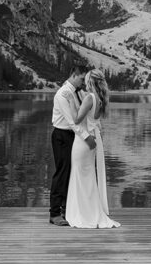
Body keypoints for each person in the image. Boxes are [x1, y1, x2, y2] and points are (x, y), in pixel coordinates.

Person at [65, 68, 120, 229]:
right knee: (88, 176)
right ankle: (90, 212)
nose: (84, 83)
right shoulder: (101, 99)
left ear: (90, 81)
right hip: (93, 139)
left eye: (86, 80)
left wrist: (70, 101)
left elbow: (76, 119)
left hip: (83, 142)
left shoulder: (90, 97)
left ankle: (80, 213)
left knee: (79, 175)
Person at [49, 64, 93, 226]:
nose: (83, 82)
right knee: (62, 172)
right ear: (74, 75)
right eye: (82, 78)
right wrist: (87, 137)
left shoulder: (78, 92)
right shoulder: (62, 94)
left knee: (72, 172)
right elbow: (71, 121)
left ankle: (68, 209)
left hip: (72, 137)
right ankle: (54, 213)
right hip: (61, 136)